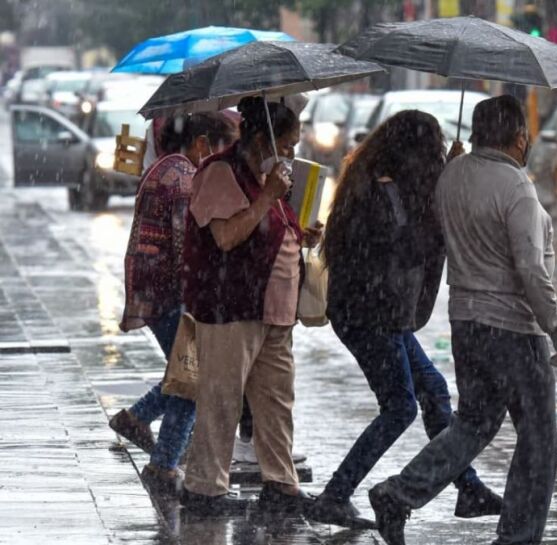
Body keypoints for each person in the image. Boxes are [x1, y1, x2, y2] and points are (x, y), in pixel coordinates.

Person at [367, 96, 557, 545]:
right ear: (519, 136)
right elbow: (530, 269)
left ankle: (400, 493)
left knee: (473, 424)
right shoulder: (516, 186)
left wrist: (453, 167)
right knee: (539, 441)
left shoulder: (452, 176)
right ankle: (518, 537)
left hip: (467, 324)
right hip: (514, 329)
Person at [308, 111, 502, 528]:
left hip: (379, 314)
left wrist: (446, 177)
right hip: (369, 316)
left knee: (432, 390)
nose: (434, 156)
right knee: (399, 408)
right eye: (431, 148)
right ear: (412, 151)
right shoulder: (381, 191)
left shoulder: (386, 182)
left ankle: (467, 488)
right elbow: (407, 247)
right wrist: (443, 190)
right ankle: (336, 494)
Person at [179, 96, 322, 516]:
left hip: (275, 311)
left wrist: (301, 234)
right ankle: (205, 487)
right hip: (231, 306)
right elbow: (226, 236)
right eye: (289, 144)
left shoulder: (268, 177)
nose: (293, 152)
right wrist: (269, 196)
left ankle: (280, 483)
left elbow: (272, 228)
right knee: (222, 399)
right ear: (263, 139)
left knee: (276, 402)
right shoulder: (221, 173)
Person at [110, 112, 238, 495]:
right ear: (202, 144)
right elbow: (188, 247)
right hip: (170, 294)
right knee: (193, 378)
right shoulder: (183, 179)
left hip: (154, 290)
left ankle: (137, 418)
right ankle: (163, 463)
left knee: (185, 372)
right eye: (220, 150)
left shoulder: (163, 167)